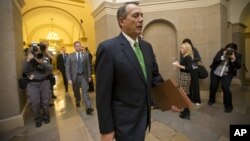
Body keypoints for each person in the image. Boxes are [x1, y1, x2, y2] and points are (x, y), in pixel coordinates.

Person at [95, 2, 179, 141]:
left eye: (141, 15)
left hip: (144, 117)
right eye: (135, 16)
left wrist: (170, 100)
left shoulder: (147, 47)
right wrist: (106, 130)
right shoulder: (108, 49)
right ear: (122, 21)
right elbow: (103, 95)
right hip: (124, 123)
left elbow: (155, 79)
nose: (141, 19)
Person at [23, 44, 53, 127]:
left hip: (44, 82)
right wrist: (28, 60)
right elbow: (25, 70)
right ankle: (38, 119)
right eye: (34, 51)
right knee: (35, 103)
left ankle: (46, 116)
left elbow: (50, 68)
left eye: (38, 50)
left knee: (45, 101)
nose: (36, 52)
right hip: (32, 84)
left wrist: (40, 62)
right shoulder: (27, 60)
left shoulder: (44, 58)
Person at [208, 43, 241, 113]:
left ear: (235, 51)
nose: (229, 51)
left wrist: (234, 59)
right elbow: (215, 60)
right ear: (225, 49)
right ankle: (211, 99)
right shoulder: (221, 51)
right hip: (215, 71)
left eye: (231, 50)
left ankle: (228, 106)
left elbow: (239, 66)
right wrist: (222, 56)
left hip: (227, 74)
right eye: (227, 49)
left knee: (225, 87)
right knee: (213, 86)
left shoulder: (237, 55)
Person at [65, 41, 93, 115]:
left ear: (81, 46)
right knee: (76, 91)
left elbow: (88, 66)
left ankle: (88, 107)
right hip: (75, 77)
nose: (78, 47)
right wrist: (69, 79)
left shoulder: (85, 55)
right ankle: (77, 100)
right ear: (74, 47)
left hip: (84, 76)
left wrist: (89, 76)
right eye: (76, 46)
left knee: (85, 92)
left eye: (79, 46)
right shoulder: (70, 56)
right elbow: (67, 68)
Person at [172, 42, 193, 120]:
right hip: (184, 76)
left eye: (182, 48)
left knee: (184, 94)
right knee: (184, 94)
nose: (180, 49)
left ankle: (187, 112)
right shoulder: (185, 57)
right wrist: (178, 65)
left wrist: (178, 65)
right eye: (181, 48)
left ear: (187, 49)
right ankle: (186, 111)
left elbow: (189, 68)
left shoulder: (188, 57)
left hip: (186, 77)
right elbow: (183, 67)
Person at [182, 38, 201, 105]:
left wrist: (190, 59)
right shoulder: (182, 51)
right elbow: (182, 60)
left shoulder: (194, 50)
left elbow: (198, 58)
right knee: (188, 86)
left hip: (194, 69)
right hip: (186, 70)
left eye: (187, 43)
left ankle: (197, 100)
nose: (186, 44)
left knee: (195, 85)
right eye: (184, 43)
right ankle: (190, 99)